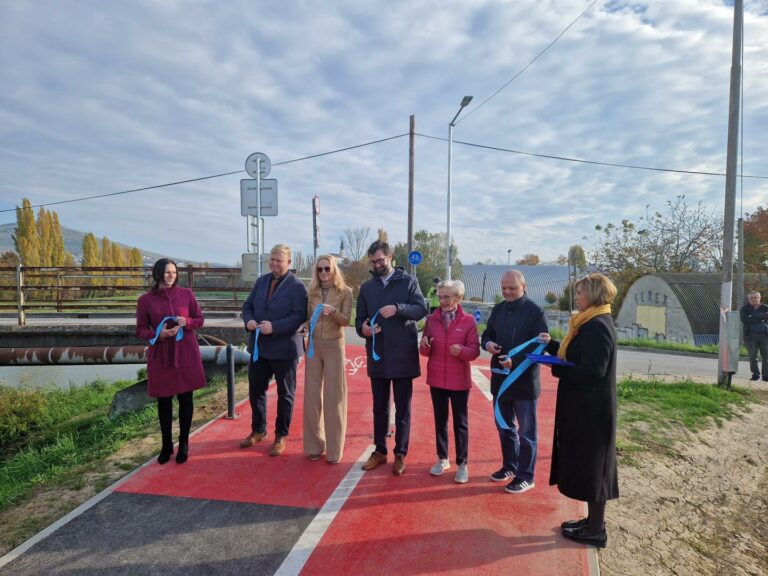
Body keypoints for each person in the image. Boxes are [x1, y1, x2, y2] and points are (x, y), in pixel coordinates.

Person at [539, 273, 619, 549]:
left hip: (593, 412)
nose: (576, 298)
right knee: (588, 466)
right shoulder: (588, 322)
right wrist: (551, 345)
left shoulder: (598, 325)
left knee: (595, 468)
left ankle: (597, 529)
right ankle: (591, 523)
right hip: (585, 408)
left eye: (580, 293)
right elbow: (576, 356)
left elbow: (592, 370)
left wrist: (556, 368)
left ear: (594, 294)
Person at [355, 239, 427, 476]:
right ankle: (380, 451)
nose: (377, 265)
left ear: (390, 258)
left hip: (403, 354)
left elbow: (421, 309)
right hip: (378, 356)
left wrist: (399, 308)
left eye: (381, 260)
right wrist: (364, 330)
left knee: (403, 408)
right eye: (373, 261)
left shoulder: (409, 281)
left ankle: (400, 453)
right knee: (379, 407)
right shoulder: (367, 288)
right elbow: (359, 321)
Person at [480, 270, 548, 494]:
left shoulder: (536, 312)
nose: (507, 292)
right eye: (504, 288)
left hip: (524, 381)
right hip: (500, 379)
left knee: (526, 432)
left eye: (512, 288)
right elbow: (487, 334)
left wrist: (515, 361)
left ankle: (526, 476)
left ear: (524, 287)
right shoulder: (498, 309)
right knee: (504, 426)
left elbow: (540, 344)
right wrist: (488, 344)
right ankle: (510, 466)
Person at [136, 258, 207, 465]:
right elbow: (140, 330)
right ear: (158, 274)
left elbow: (200, 319)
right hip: (161, 354)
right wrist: (159, 335)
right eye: (168, 272)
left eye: (174, 273)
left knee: (186, 398)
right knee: (164, 400)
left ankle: (184, 443)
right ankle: (166, 445)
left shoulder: (186, 294)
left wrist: (188, 322)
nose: (171, 276)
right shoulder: (145, 300)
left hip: (186, 353)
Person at [240, 244, 308, 456]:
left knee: (285, 394)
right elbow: (247, 306)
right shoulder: (261, 282)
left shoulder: (297, 287)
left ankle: (281, 435)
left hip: (284, 348)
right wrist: (249, 320)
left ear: (289, 262)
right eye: (272, 259)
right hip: (259, 347)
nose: (274, 263)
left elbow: (298, 315)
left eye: (279, 260)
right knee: (256, 390)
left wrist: (275, 327)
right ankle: (258, 430)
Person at [419, 280, 480, 483]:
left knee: (460, 423)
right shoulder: (431, 320)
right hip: (436, 379)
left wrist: (462, 352)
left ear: (458, 298)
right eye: (440, 296)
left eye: (447, 297)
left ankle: (462, 464)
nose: (442, 301)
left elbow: (475, 352)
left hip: (459, 381)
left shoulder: (469, 321)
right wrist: (425, 345)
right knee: (440, 421)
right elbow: (424, 350)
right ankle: (442, 458)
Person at [303, 254, 353, 464]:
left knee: (334, 398)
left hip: (334, 346)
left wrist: (333, 312)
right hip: (314, 346)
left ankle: (334, 450)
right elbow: (308, 318)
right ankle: (314, 446)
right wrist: (304, 326)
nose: (323, 273)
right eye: (320, 269)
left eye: (327, 269)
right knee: (312, 397)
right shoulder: (312, 292)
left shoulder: (345, 292)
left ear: (334, 270)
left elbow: (346, 321)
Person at [740, 291, 768, 382]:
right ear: (748, 299)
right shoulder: (745, 309)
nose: (753, 299)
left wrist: (753, 316)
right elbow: (744, 319)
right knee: (752, 356)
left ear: (759, 298)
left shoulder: (765, 307)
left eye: (755, 297)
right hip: (751, 336)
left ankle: (766, 376)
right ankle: (755, 375)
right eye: (751, 298)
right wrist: (761, 319)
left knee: (766, 356)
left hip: (765, 336)